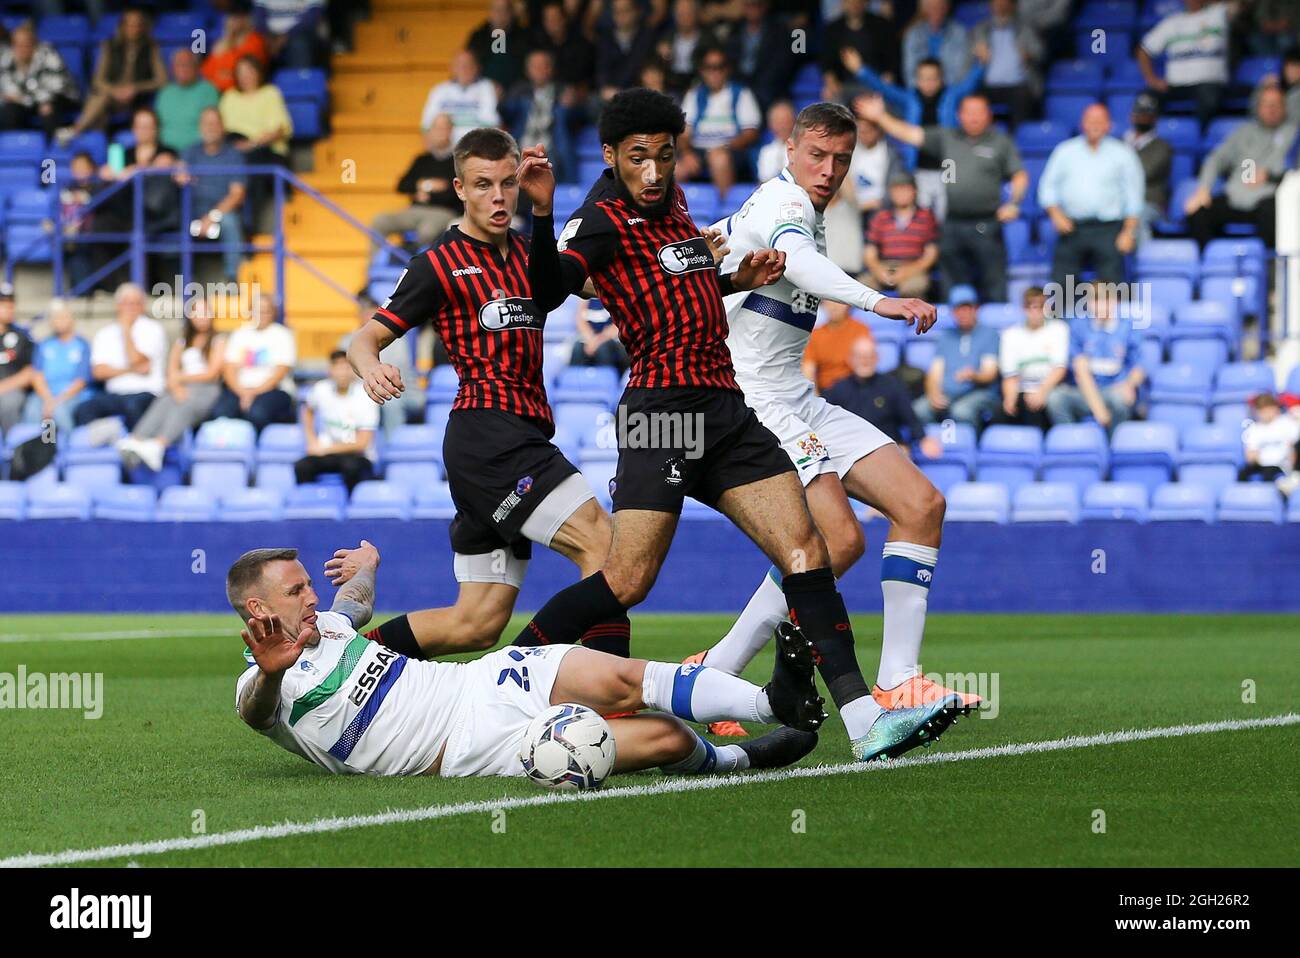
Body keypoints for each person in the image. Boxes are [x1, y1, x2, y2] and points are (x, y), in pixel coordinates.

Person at [523, 90, 968, 762]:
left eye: (665, 156)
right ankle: (515, 673)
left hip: (727, 407)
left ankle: (865, 722)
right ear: (612, 156)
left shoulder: (674, 205)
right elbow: (547, 289)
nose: (653, 171)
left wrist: (734, 276)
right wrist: (538, 212)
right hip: (659, 413)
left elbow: (678, 283)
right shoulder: (598, 220)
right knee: (627, 580)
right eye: (638, 158)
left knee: (808, 550)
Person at [686, 100, 977, 737]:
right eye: (817, 155)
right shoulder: (782, 205)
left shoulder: (797, 213)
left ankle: (899, 679)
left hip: (797, 393)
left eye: (841, 159)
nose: (829, 169)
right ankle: (722, 669)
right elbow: (800, 263)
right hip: (754, 398)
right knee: (838, 542)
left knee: (921, 504)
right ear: (790, 151)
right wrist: (880, 300)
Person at [347, 128, 626, 659]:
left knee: (474, 624)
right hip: (491, 438)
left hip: (511, 439)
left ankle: (344, 655)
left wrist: (702, 266)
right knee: (605, 546)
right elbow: (368, 336)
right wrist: (369, 367)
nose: (497, 198)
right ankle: (607, 699)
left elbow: (613, 283)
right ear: (459, 188)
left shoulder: (532, 253)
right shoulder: (437, 264)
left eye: (506, 184)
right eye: (482, 185)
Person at [231, 544, 823, 779]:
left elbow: (351, 603)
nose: (310, 597)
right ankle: (730, 760)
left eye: (308, 585)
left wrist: (368, 565)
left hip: (480, 682)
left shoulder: (328, 624)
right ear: (258, 608)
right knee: (665, 741)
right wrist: (272, 669)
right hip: (466, 749)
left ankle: (772, 702)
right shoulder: (260, 687)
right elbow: (256, 712)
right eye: (296, 591)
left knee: (620, 677)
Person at [861, 91, 1025, 302]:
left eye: (979, 112)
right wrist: (880, 117)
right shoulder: (946, 138)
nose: (974, 117)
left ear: (989, 115)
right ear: (959, 115)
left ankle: (996, 326)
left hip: (987, 222)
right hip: (951, 222)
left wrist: (1014, 202)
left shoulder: (1001, 142)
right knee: (952, 285)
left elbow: (1019, 176)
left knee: (994, 281)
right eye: (969, 112)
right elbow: (910, 134)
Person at [841, 44, 988, 220]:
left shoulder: (952, 96)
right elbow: (883, 88)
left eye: (933, 78)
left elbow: (970, 84)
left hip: (948, 166)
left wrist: (982, 63)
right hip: (919, 168)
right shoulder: (909, 99)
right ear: (916, 79)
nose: (928, 82)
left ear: (941, 78)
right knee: (922, 217)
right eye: (923, 78)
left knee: (948, 212)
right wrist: (860, 70)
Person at [1038, 103, 1144, 293]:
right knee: (1062, 287)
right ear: (1082, 124)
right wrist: (1055, 214)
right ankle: (1062, 323)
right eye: (1090, 120)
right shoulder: (1065, 151)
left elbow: (1134, 196)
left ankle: (1112, 323)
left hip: (1109, 229)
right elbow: (1046, 188)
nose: (1094, 125)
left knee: (1112, 287)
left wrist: (1129, 231)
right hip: (1071, 228)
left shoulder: (1123, 154)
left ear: (1108, 125)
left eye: (1099, 121)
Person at [116, 298, 226, 472]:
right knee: (164, 401)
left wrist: (180, 379)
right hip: (180, 387)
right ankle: (137, 439)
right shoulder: (181, 341)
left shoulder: (218, 341)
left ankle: (159, 444)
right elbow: (171, 371)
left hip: (205, 389)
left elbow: (212, 374)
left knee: (184, 404)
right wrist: (175, 387)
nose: (201, 317)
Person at [1185, 85, 1298, 250]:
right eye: (1266, 104)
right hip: (1236, 196)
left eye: (1276, 104)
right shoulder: (1244, 132)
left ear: (1285, 107)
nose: (1271, 109)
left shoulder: (1293, 133)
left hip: (1269, 198)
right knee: (1198, 213)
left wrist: (1271, 175)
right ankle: (1213, 265)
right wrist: (1203, 188)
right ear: (1258, 107)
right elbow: (1215, 159)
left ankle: (1267, 269)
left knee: (1275, 215)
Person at [57, 6, 165, 143]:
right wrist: (115, 91)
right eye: (130, 24)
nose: (134, 28)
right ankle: (86, 138)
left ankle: (75, 130)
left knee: (99, 107)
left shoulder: (151, 47)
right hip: (112, 96)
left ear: (143, 27)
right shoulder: (109, 46)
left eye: (138, 24)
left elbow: (161, 80)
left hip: (137, 98)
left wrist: (135, 88)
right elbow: (98, 80)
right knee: (101, 102)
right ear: (123, 26)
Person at [825, 337, 944, 458]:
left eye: (869, 356)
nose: (865, 361)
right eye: (860, 357)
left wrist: (923, 439)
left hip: (888, 448)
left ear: (877, 358)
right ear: (850, 359)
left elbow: (910, 418)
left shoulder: (892, 385)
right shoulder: (838, 389)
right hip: (852, 452)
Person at [1046, 287, 1144, 431]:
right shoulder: (1078, 326)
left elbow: (1138, 368)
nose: (1101, 306)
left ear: (1115, 302)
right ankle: (1073, 442)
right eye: (1096, 300)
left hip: (1113, 390)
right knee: (1056, 398)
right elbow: (1080, 371)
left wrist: (1129, 385)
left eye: (1106, 300)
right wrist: (1098, 409)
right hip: (1083, 392)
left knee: (1121, 399)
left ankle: (1113, 446)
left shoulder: (1127, 328)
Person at [73, 283, 168, 431]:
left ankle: (134, 447)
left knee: (133, 406)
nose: (131, 308)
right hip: (115, 394)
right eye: (126, 303)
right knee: (84, 409)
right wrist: (131, 370)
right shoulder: (104, 333)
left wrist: (126, 331)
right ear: (118, 306)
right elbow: (98, 372)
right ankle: (102, 446)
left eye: (136, 303)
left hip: (146, 393)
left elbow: (137, 361)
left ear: (143, 306)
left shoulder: (153, 329)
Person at [1139, 0, 1240, 129]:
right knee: (1146, 100)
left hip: (1209, 83)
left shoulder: (1219, 14)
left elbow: (1241, 5)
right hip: (1176, 85)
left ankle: (1200, 140)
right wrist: (1152, 80)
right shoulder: (1171, 22)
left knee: (1209, 99)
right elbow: (1143, 51)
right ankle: (1150, 141)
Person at [677, 47, 762, 198]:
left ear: (727, 69)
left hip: (732, 150)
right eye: (709, 68)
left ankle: (725, 213)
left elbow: (751, 133)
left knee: (718, 158)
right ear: (702, 71)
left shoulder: (741, 93)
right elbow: (684, 134)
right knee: (674, 168)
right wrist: (687, 153)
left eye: (719, 67)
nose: (714, 72)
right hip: (699, 150)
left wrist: (724, 147)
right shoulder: (694, 95)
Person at [370, 113, 461, 254]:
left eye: (444, 128)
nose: (440, 132)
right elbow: (402, 185)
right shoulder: (422, 160)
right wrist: (428, 185)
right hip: (415, 210)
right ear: (430, 132)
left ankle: (418, 271)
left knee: (427, 232)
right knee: (380, 221)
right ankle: (374, 272)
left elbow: (454, 194)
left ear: (451, 131)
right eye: (437, 128)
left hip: (443, 212)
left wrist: (426, 195)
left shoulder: (458, 161)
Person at [912, 284, 1000, 429]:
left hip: (979, 392)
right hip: (947, 393)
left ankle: (969, 448)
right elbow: (935, 372)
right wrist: (934, 393)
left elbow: (989, 374)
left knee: (961, 411)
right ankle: (933, 446)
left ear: (976, 309)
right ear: (953, 311)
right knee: (919, 409)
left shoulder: (989, 334)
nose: (963, 312)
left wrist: (974, 375)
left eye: (968, 307)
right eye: (959, 308)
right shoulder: (945, 336)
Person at [176, 108, 248, 280]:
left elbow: (237, 195)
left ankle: (232, 279)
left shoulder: (234, 155)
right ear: (200, 127)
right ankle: (181, 284)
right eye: (207, 123)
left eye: (215, 123)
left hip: (220, 215)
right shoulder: (190, 152)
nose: (211, 127)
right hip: (191, 214)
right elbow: (178, 172)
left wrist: (211, 217)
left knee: (230, 222)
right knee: (171, 223)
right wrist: (178, 173)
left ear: (223, 127)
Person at [338, 295, 422, 437]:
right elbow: (341, 369)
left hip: (397, 391)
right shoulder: (347, 340)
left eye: (373, 313)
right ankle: (348, 445)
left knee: (390, 402)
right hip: (361, 391)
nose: (369, 317)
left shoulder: (396, 341)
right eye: (365, 313)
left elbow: (395, 372)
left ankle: (394, 447)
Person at [211, 294, 296, 433]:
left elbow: (280, 373)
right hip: (239, 389)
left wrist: (252, 393)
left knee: (257, 414)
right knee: (221, 412)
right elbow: (229, 369)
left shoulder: (283, 335)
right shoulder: (240, 333)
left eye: (265, 310)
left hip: (273, 391)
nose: (261, 315)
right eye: (257, 310)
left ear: (272, 313)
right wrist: (243, 392)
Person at [293, 350, 377, 491]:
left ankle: (353, 508)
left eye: (346, 367)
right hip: (327, 453)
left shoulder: (366, 396)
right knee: (302, 466)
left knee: (352, 468)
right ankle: (309, 505)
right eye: (337, 366)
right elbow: (307, 410)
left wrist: (325, 449)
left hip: (356, 455)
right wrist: (311, 439)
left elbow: (362, 443)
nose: (342, 372)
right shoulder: (321, 389)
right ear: (330, 370)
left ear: (354, 370)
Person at [500, 49, 577, 186]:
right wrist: (501, 98)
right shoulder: (518, 91)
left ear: (551, 69)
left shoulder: (562, 91)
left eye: (544, 66)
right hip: (521, 149)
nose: (539, 70)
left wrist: (570, 106)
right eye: (535, 66)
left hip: (550, 151)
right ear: (527, 70)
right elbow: (505, 113)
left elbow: (577, 119)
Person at [997, 285, 1068, 430]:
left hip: (1050, 389)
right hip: (1022, 390)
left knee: (1042, 408)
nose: (1035, 311)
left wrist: (1041, 392)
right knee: (1003, 411)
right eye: (1031, 306)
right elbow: (1010, 375)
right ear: (1024, 308)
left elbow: (1059, 369)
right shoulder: (1010, 334)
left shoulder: (1059, 329)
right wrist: (1009, 399)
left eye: (1040, 306)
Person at [864, 170, 939, 298]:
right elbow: (869, 252)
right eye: (897, 189)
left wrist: (908, 271)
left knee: (913, 287)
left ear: (914, 191)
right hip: (885, 265)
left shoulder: (926, 217)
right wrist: (878, 271)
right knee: (862, 286)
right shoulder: (881, 217)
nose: (901, 194)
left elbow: (931, 254)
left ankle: (911, 317)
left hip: (913, 267)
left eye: (905, 189)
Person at [22, 298, 91, 437]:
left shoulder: (82, 344)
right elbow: (37, 376)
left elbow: (81, 380)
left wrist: (56, 401)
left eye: (62, 316)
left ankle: (64, 451)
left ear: (71, 318)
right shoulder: (44, 344)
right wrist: (48, 400)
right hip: (45, 394)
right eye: (55, 317)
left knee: (59, 411)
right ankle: (35, 451)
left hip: (72, 395)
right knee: (33, 409)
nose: (58, 321)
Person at [0, 21, 79, 140]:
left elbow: (57, 86)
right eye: (17, 44)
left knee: (48, 109)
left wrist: (25, 97)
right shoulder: (7, 58)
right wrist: (22, 98)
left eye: (26, 45)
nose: (21, 49)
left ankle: (52, 153)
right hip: (27, 100)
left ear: (34, 44)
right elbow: (7, 88)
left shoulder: (48, 53)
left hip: (58, 99)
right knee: (9, 112)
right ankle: (17, 148)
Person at [970, 0, 1042, 128]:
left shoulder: (1025, 29)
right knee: (973, 102)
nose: (1001, 8)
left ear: (1013, 6)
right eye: (997, 4)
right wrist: (977, 55)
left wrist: (1029, 55)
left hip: (1018, 85)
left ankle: (1018, 143)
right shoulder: (980, 30)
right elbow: (968, 59)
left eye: (1004, 4)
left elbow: (1041, 53)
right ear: (990, 6)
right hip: (988, 86)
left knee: (1022, 99)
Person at [726, 0, 798, 114]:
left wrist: (753, 91)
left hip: (768, 90)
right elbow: (730, 62)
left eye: (756, 5)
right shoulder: (734, 30)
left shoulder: (780, 30)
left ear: (765, 6)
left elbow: (782, 66)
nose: (753, 9)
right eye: (748, 5)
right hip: (740, 87)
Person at [820, 0, 898, 99]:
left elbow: (892, 61)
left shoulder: (882, 26)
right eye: (849, 1)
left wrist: (886, 83)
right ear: (843, 3)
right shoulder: (832, 30)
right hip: (844, 86)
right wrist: (831, 82)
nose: (854, 5)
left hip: (876, 84)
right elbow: (826, 63)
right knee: (830, 99)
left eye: (858, 1)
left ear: (866, 3)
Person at [419, 49, 500, 144]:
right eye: (460, 65)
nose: (464, 69)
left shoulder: (487, 87)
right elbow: (426, 128)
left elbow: (491, 124)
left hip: (477, 147)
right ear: (452, 68)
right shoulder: (439, 90)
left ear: (477, 67)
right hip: (446, 149)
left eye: (468, 64)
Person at [1123, 92, 1173, 245]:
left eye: (1147, 113)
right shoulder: (1118, 143)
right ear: (1131, 115)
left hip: (1148, 203)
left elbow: (1144, 172)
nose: (1142, 117)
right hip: (1116, 201)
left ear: (1155, 118)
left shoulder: (1163, 147)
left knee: (1137, 216)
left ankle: (1142, 264)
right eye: (1139, 112)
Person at [154, 49, 220, 153]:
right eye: (179, 64)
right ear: (172, 68)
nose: (183, 68)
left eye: (187, 64)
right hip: (166, 152)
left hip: (199, 152)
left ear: (197, 67)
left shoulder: (208, 90)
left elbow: (213, 126)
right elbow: (157, 126)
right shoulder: (165, 93)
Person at [802, 300, 873, 393]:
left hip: (855, 390)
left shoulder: (860, 329)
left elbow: (867, 364)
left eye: (838, 302)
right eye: (830, 302)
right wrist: (815, 399)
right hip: (826, 392)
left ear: (848, 304)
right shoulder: (815, 335)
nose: (834, 307)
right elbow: (808, 370)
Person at [594, 0, 658, 100]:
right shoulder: (606, 36)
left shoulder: (646, 37)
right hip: (608, 92)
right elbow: (602, 67)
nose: (621, 16)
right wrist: (605, 86)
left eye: (625, 11)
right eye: (617, 11)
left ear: (637, 11)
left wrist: (620, 91)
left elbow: (636, 66)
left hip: (636, 92)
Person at [655, 0, 720, 96]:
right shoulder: (666, 38)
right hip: (671, 85)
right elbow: (656, 67)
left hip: (698, 85)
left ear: (696, 13)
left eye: (688, 13)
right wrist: (662, 57)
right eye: (681, 13)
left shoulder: (708, 39)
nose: (684, 17)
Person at [902, 0, 971, 88]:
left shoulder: (959, 33)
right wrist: (924, 90)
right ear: (924, 8)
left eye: (939, 5)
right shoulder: (913, 34)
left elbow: (960, 71)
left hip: (950, 91)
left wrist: (938, 89)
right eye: (931, 6)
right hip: (919, 92)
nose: (935, 9)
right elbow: (909, 72)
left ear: (946, 7)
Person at [201, 8, 270, 94]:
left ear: (246, 19)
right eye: (232, 17)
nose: (234, 22)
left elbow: (249, 70)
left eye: (238, 18)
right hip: (217, 92)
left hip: (243, 92)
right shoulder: (221, 44)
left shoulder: (255, 40)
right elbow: (207, 72)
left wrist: (227, 73)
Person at [467, 0, 528, 90]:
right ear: (490, 13)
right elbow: (469, 65)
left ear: (511, 13)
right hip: (482, 89)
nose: (500, 14)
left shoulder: (524, 36)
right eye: (496, 9)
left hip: (516, 91)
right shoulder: (478, 37)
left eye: (504, 10)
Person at [0, 285, 36, 434]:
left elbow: (30, 373)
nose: (9, 308)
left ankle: (11, 452)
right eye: (4, 304)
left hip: (12, 391)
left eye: (11, 304)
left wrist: (2, 388)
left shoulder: (23, 336)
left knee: (8, 403)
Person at [1240, 393, 1298, 483]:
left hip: (1281, 465)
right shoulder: (1254, 429)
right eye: (1262, 410)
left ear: (1275, 408)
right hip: (1262, 464)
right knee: (1243, 473)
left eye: (1268, 409)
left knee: (1269, 473)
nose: (1265, 414)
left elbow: (1295, 448)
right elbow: (1250, 456)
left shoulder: (1287, 423)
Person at [253, 0, 323, 70]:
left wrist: (285, 37)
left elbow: (312, 16)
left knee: (299, 44)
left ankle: (298, 78)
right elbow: (258, 14)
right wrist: (268, 37)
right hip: (269, 35)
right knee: (254, 43)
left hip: (298, 34)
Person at [570, 298, 627, 374]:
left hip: (609, 339)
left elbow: (618, 325)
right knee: (577, 348)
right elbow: (580, 320)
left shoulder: (614, 297)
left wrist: (598, 341)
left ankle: (607, 380)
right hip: (590, 339)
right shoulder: (585, 299)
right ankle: (576, 381)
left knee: (603, 349)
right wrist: (590, 339)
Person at [755, 100, 795, 182]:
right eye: (777, 122)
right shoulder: (766, 151)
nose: (782, 127)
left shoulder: (801, 150)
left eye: (785, 121)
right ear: (770, 125)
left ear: (794, 122)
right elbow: (762, 181)